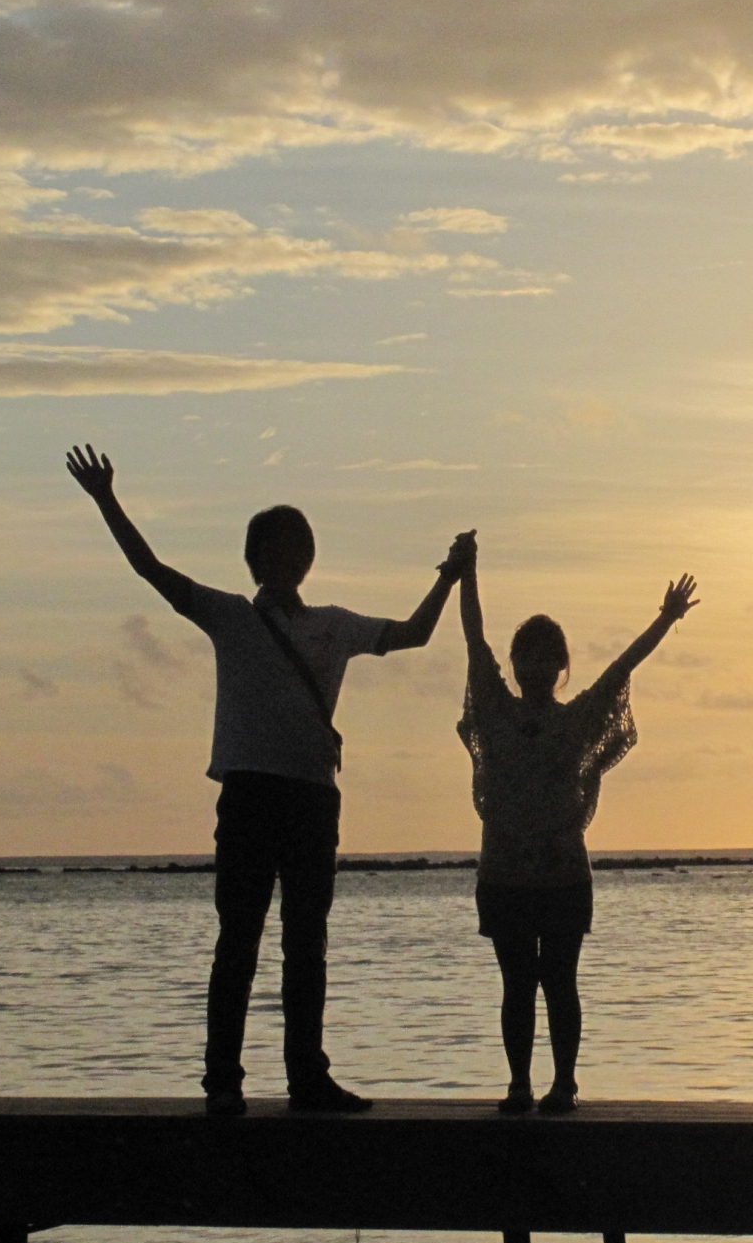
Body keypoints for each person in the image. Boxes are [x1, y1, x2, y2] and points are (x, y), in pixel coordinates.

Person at [65, 444, 472, 1116]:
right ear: (254, 561)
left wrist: (450, 577)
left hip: (313, 798)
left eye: (292, 551)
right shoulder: (229, 616)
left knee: (305, 945)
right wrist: (107, 498)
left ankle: (307, 1078)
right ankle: (223, 1080)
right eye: (271, 552)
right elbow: (151, 570)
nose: (282, 562)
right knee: (239, 939)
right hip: (250, 793)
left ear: (306, 559)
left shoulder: (334, 627)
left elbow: (416, 635)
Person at [456, 548, 697, 1114]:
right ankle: (518, 1084)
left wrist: (665, 618)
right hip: (505, 874)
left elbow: (622, 667)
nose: (536, 669)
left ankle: (564, 1084)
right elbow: (473, 639)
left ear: (562, 666)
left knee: (559, 982)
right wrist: (467, 575)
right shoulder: (494, 709)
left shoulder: (577, 719)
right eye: (527, 659)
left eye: (548, 660)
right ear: (515, 665)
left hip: (563, 875)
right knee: (517, 984)